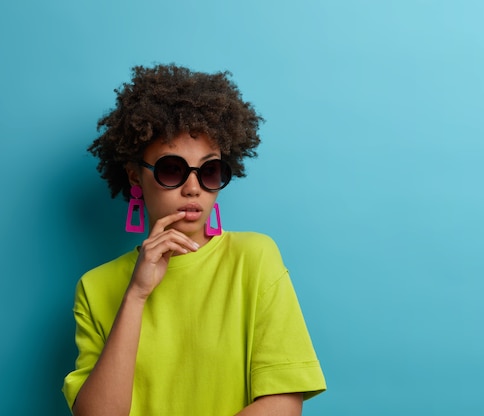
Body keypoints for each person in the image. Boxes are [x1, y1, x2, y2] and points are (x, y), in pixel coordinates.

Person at [62, 64, 326, 416]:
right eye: (172, 169)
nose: (193, 187)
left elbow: (284, 403)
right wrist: (136, 295)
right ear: (134, 177)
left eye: (209, 171)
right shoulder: (96, 287)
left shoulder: (254, 257)